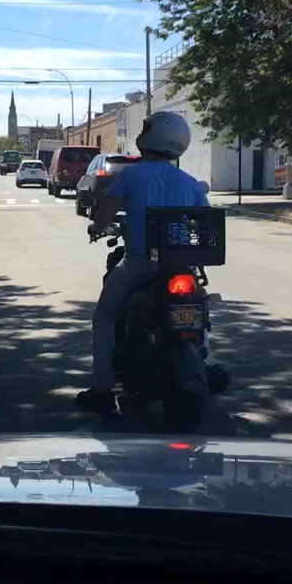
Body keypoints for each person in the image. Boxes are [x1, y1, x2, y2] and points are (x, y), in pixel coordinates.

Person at [79, 111, 209, 418]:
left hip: (139, 265)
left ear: (149, 136)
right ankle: (202, 358)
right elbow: (204, 224)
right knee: (200, 308)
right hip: (180, 266)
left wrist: (96, 227)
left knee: (103, 319)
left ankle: (103, 390)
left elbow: (104, 216)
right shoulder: (190, 183)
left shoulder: (130, 176)